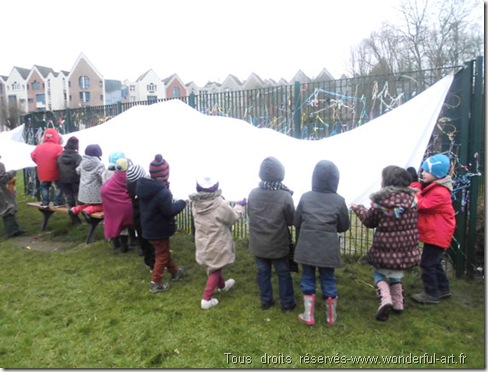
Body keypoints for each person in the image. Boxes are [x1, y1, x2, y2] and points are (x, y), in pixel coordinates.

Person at [351, 165, 421, 321]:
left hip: (385, 249)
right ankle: (398, 303)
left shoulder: (382, 202)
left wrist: (359, 209)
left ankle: (386, 299)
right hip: (405, 250)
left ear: (387, 182)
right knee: (396, 272)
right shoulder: (412, 201)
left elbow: (369, 221)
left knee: (379, 272)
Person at [293, 160, 349, 325]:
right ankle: (331, 317)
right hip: (328, 247)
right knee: (328, 278)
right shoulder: (339, 200)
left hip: (307, 246)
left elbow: (296, 221)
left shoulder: (305, 197)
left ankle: (308, 315)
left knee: (307, 277)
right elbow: (344, 226)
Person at [189, 175, 246, 310]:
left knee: (215, 265)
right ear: (215, 186)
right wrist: (239, 206)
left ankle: (222, 286)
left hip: (203, 240)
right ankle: (206, 299)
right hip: (217, 241)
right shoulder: (219, 204)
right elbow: (232, 218)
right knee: (215, 268)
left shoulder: (194, 203)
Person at [247, 156, 296, 312]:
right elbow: (290, 220)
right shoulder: (285, 196)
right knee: (283, 272)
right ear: (281, 174)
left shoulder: (253, 194)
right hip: (278, 243)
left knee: (263, 272)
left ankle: (266, 300)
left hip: (258, 243)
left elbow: (250, 214)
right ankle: (287, 304)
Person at [136, 154, 186, 293]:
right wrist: (182, 203)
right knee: (162, 255)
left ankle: (175, 272)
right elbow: (169, 210)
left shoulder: (145, 187)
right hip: (159, 229)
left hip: (149, 227)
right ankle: (155, 282)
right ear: (165, 174)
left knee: (163, 251)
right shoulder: (162, 192)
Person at [411, 154, 456, 304]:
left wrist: (413, 189)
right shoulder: (436, 186)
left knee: (427, 264)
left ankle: (431, 294)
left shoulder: (440, 192)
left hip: (438, 235)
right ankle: (443, 289)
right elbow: (422, 194)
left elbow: (421, 204)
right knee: (435, 263)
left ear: (436, 174)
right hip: (437, 233)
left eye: (426, 171)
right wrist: (416, 185)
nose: (422, 173)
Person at [101, 158, 134, 253]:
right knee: (126, 223)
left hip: (111, 205)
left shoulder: (114, 176)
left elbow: (105, 189)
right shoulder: (127, 177)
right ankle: (126, 245)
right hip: (124, 206)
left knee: (114, 222)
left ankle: (116, 243)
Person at [126, 164, 155, 271]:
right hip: (146, 216)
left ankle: (148, 262)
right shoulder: (144, 188)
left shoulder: (130, 186)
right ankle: (153, 263)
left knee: (143, 241)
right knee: (151, 241)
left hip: (136, 216)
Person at [30, 128, 64, 207]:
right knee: (60, 185)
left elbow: (33, 155)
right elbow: (61, 158)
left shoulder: (38, 147)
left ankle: (45, 202)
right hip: (55, 170)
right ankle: (57, 201)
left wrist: (39, 163)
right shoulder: (58, 147)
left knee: (44, 186)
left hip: (43, 171)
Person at [69, 144, 105, 219]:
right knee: (104, 206)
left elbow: (77, 171)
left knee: (90, 204)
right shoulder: (99, 164)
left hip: (84, 193)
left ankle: (75, 209)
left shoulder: (82, 162)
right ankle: (87, 211)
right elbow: (103, 178)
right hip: (96, 193)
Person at [57, 136, 82, 219]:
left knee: (69, 197)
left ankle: (73, 216)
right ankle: (83, 213)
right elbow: (80, 168)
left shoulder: (60, 156)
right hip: (75, 180)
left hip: (64, 179)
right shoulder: (77, 157)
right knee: (78, 197)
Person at [0, 155, 25, 237]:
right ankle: (12, 231)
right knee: (8, 209)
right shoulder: (0, 165)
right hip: (1, 192)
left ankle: (15, 229)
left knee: (8, 209)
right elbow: (2, 179)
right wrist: (11, 173)